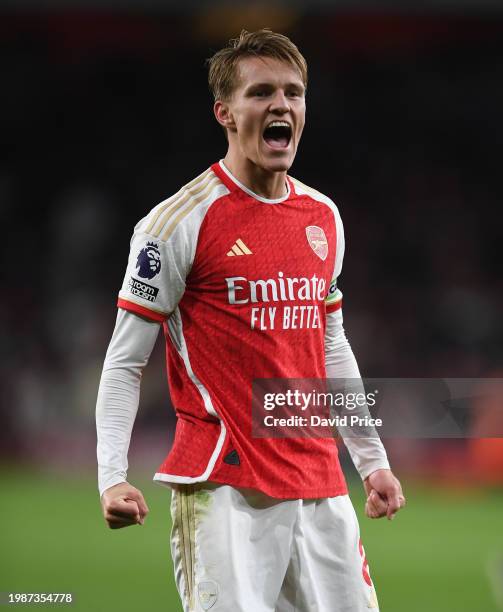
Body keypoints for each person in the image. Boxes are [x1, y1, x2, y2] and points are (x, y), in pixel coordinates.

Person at [96, 29, 405, 612]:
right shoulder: (175, 224)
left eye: (294, 92)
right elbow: (124, 362)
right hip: (224, 489)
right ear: (225, 113)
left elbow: (331, 346)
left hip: (320, 484)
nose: (281, 105)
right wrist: (111, 476)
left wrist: (372, 460)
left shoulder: (323, 216)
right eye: (261, 92)